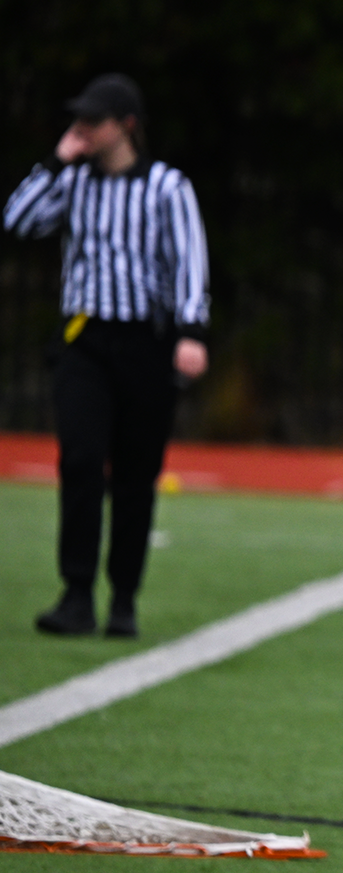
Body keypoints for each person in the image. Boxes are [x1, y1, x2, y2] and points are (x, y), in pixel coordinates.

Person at [5, 73, 210, 639]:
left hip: (145, 342)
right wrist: (55, 160)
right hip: (85, 340)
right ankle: (75, 592)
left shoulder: (167, 187)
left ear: (127, 127)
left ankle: (123, 595)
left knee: (136, 474)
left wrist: (192, 332)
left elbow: (189, 260)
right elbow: (17, 221)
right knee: (79, 461)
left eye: (93, 122)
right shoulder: (73, 182)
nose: (83, 130)